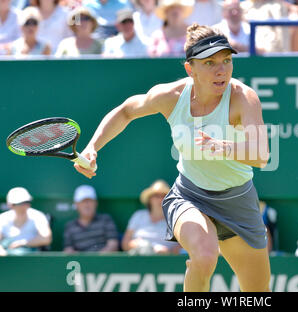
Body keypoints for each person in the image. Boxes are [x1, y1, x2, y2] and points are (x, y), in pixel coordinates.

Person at [73, 23, 271, 292]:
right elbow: (125, 111)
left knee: (258, 293)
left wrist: (224, 147)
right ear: (191, 68)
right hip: (190, 196)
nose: (221, 70)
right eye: (210, 63)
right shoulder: (170, 96)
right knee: (204, 256)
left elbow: (261, 155)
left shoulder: (243, 98)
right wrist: (92, 147)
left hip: (238, 201)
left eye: (226, 60)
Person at [121, 179, 182, 254]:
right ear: (150, 199)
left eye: (163, 196)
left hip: (166, 261)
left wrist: (168, 251)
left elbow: (183, 246)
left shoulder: (176, 219)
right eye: (156, 196)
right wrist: (137, 245)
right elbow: (125, 243)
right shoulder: (138, 215)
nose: (160, 199)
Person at [63, 185, 119, 252]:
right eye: (83, 201)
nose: (87, 205)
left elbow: (113, 245)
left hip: (104, 262)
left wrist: (96, 260)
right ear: (76, 205)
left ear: (96, 203)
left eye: (90, 201)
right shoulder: (70, 226)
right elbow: (68, 249)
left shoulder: (106, 220)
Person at [0, 187, 52, 256]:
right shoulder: (3, 218)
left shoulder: (38, 216)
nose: (25, 206)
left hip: (32, 257)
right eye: (21, 203)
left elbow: (46, 239)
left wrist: (22, 243)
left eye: (27, 202)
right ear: (11, 205)